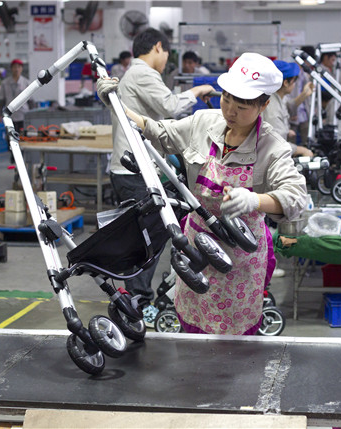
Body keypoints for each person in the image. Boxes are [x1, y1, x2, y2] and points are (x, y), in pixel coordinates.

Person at [98, 52, 307, 335]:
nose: (230, 111)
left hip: (240, 259)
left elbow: (296, 197)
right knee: (193, 330)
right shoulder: (203, 122)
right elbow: (157, 131)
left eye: (242, 106)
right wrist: (117, 105)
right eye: (226, 99)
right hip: (195, 250)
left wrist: (254, 200)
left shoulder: (272, 146)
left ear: (264, 104)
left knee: (234, 341)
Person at [109, 28, 214, 326]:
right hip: (135, 171)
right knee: (149, 238)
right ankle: (138, 303)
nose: (166, 59)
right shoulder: (142, 74)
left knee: (153, 233)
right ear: (158, 47)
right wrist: (196, 92)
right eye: (167, 53)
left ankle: (140, 297)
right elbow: (169, 106)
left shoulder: (136, 74)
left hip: (137, 169)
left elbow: (160, 120)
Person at [262, 60, 314, 157]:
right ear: (286, 83)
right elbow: (277, 145)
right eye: (294, 82)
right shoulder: (272, 109)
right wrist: (301, 150)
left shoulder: (276, 96)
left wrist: (304, 94)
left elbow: (288, 106)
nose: (294, 85)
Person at [287, 45, 315, 146]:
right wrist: (291, 112)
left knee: (307, 142)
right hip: (292, 114)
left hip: (304, 114)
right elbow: (289, 95)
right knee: (290, 144)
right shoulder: (291, 72)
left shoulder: (305, 73)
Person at [0, 59, 33, 132]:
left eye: (19, 67)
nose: (16, 69)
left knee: (24, 136)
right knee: (10, 136)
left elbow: (31, 101)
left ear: (21, 69)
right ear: (11, 68)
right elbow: (1, 100)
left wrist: (32, 115)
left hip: (23, 115)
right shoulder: (5, 83)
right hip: (10, 116)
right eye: (14, 67)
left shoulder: (26, 83)